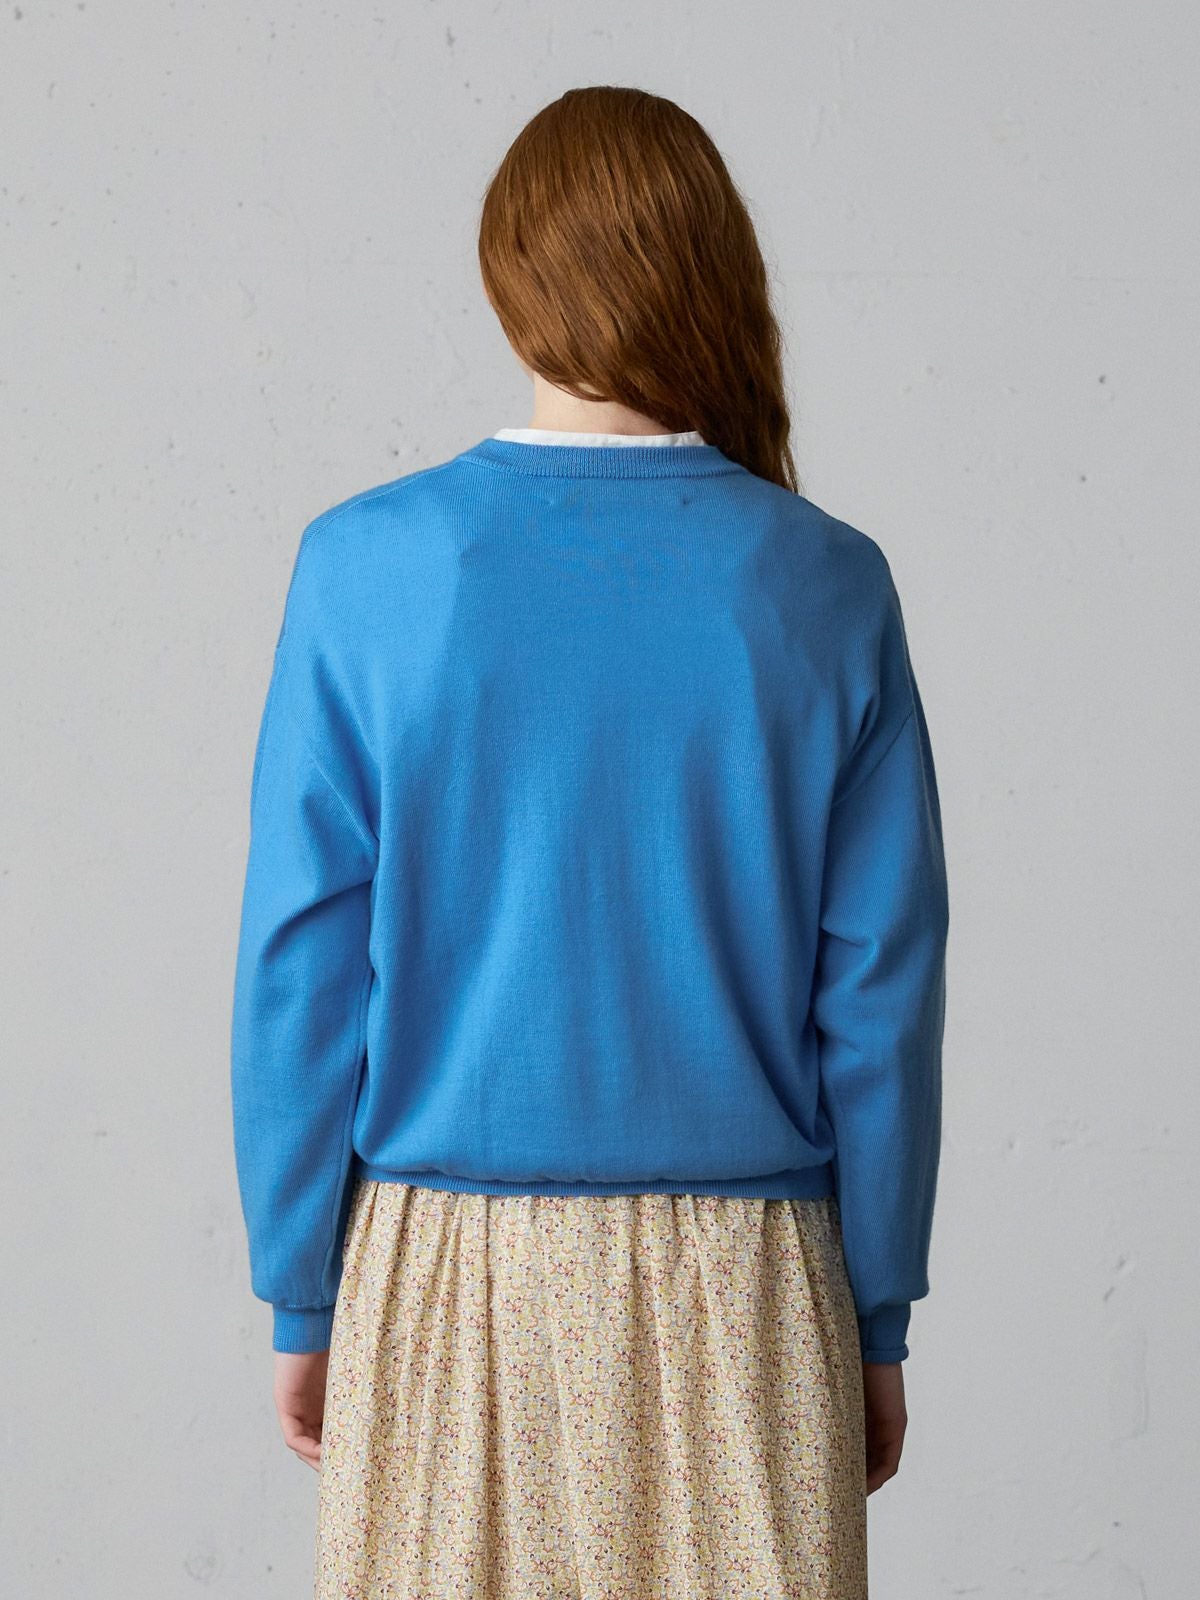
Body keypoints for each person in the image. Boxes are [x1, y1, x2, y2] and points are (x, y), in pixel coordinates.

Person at [230, 84, 950, 1600]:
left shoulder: (367, 568)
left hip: (440, 1280)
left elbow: (302, 965)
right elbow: (881, 990)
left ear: (511, 276)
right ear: (712, 267)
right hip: (751, 1295)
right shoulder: (825, 582)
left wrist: (302, 1290)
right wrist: (876, 1314)